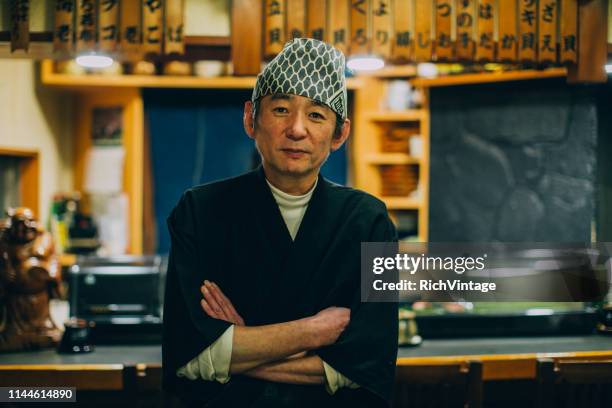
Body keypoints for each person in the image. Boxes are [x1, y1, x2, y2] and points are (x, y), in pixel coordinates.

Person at [162, 38, 398, 408]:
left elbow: (372, 364)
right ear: (250, 119)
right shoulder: (199, 212)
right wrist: (314, 331)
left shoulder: (372, 222)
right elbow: (188, 358)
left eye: (317, 115)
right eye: (281, 109)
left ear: (340, 134)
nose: (297, 129)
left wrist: (239, 348)